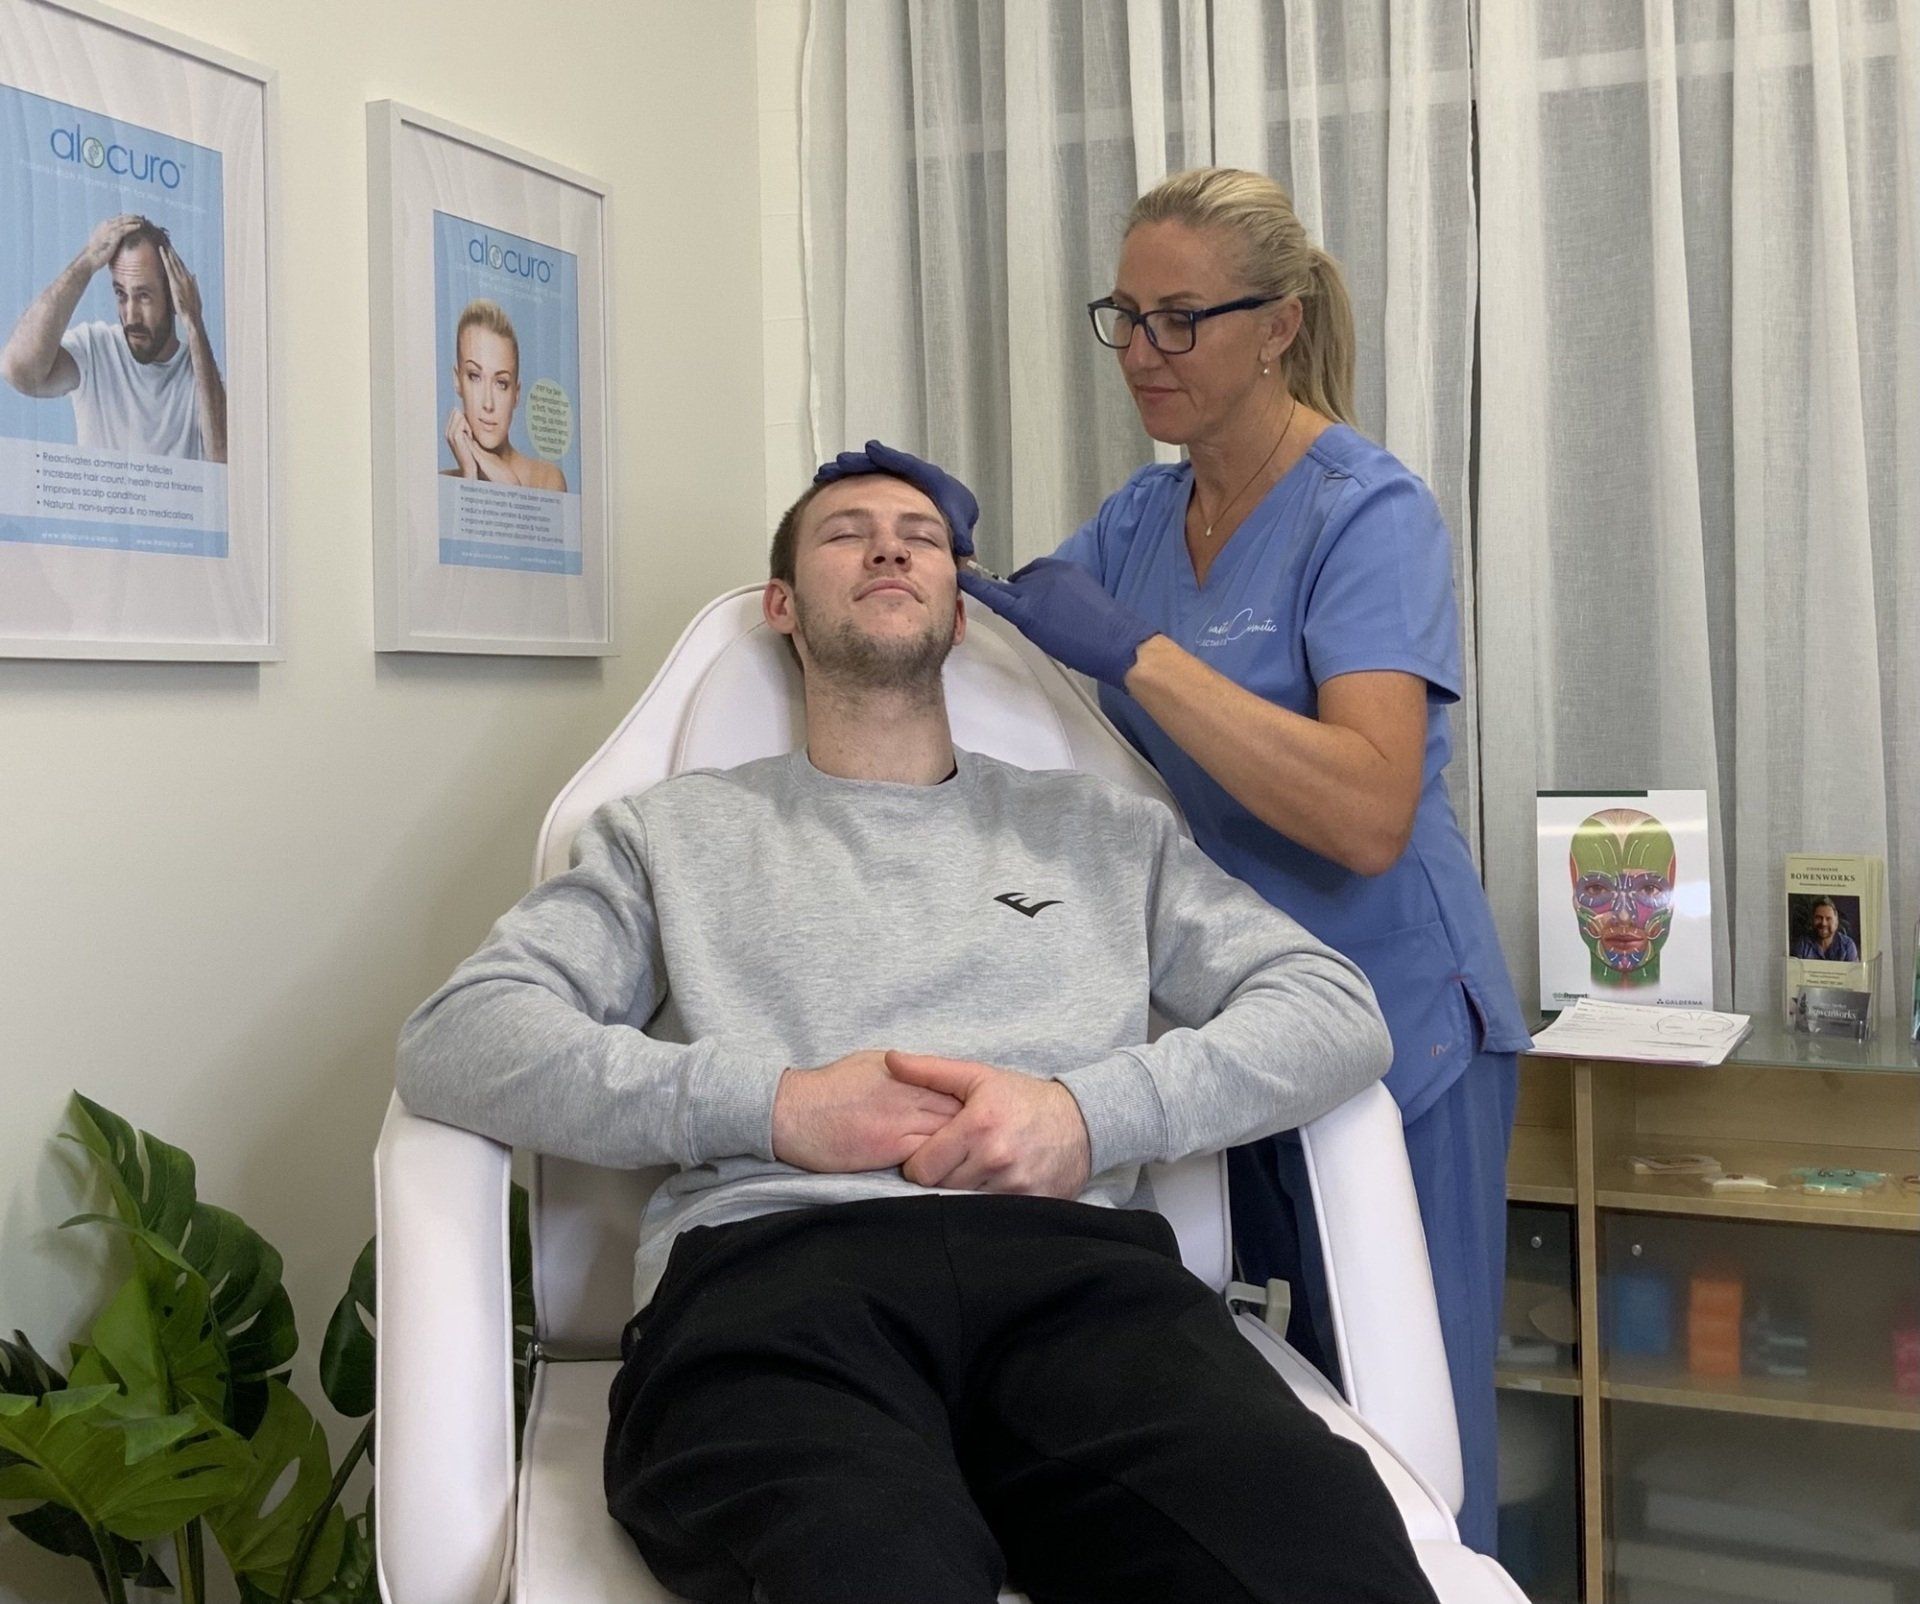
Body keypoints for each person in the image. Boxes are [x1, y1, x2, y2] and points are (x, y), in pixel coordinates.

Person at [396, 446, 1442, 1604]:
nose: (890, 544)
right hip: (775, 1284)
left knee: (1320, 1552)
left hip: (1086, 1288)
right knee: (871, 1566)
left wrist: (1086, 1115)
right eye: (846, 531)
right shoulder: (671, 838)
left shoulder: (1106, 831)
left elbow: (1334, 1007)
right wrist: (779, 1107)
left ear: (957, 609)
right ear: (782, 606)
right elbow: (462, 1034)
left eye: (922, 535)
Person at [956, 166, 1532, 1555]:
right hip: (1237, 1033)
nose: (1143, 355)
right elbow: (1024, 649)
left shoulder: (1364, 512)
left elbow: (1367, 810)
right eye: (1125, 319)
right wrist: (911, 548)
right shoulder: (1145, 520)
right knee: (1282, 1436)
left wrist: (1143, 657)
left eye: (1180, 321)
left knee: (1413, 1434)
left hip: (1400, 1038)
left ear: (1277, 326)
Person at [1, 214, 226, 462]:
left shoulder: (201, 373)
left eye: (143, 296)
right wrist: (86, 262)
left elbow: (222, 458)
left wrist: (194, 324)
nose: (131, 315)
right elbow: (17, 370)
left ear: (173, 296)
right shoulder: (94, 348)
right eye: (121, 294)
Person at [442, 298, 567, 490]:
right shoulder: (443, 482)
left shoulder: (546, 479)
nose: (488, 404)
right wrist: (470, 474)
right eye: (475, 376)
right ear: (457, 381)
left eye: (501, 383)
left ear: (516, 394)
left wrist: (512, 488)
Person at [1793, 898, 1859, 962]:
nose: (1823, 923)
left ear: (1836, 922)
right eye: (1819, 918)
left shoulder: (1847, 946)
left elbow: (1853, 973)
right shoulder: (1803, 944)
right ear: (1812, 920)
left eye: (1828, 918)